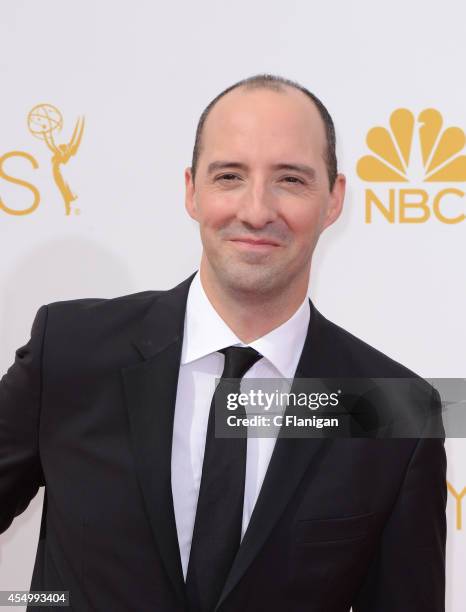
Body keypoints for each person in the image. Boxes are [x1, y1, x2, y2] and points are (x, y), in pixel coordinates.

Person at [0, 74, 446, 612]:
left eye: (291, 180)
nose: (256, 210)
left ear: (334, 200)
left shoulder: (391, 407)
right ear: (192, 190)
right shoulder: (70, 353)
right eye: (230, 176)